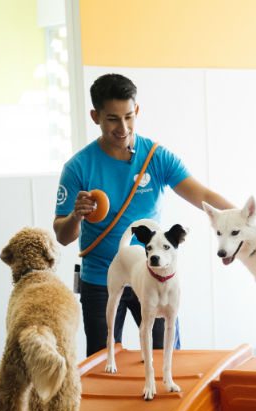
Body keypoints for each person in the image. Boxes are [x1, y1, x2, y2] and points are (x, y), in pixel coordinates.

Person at [54, 73, 234, 357]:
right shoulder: (78, 167)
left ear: (136, 110)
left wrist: (244, 221)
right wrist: (76, 215)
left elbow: (203, 196)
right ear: (95, 116)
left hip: (154, 274)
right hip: (101, 278)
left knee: (165, 358)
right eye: (112, 119)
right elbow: (62, 236)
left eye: (129, 116)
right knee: (102, 363)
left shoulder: (157, 157)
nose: (123, 128)